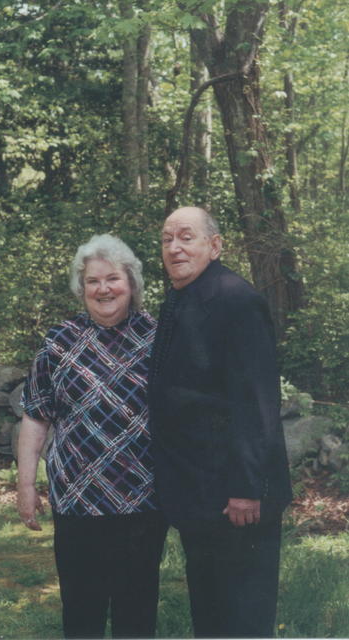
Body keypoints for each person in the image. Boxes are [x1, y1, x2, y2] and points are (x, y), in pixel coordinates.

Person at [148, 206, 292, 638]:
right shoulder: (181, 298)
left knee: (243, 618)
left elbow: (254, 401)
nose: (174, 247)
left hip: (238, 498)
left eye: (186, 237)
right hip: (200, 491)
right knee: (211, 614)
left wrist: (247, 489)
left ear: (215, 246)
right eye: (167, 239)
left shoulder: (236, 301)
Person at [17, 234, 167, 640]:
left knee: (136, 614)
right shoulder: (59, 340)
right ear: (81, 288)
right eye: (92, 281)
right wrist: (26, 484)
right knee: (82, 612)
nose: (103, 289)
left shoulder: (160, 338)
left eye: (112, 278)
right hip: (77, 501)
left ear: (131, 282)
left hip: (143, 499)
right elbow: (35, 415)